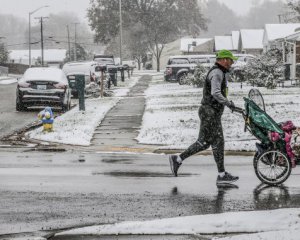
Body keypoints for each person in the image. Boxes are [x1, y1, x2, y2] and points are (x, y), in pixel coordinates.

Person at [169, 49, 239, 185]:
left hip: (210, 112)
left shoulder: (219, 72)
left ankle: (177, 159)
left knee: (204, 142)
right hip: (210, 112)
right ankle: (221, 175)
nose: (232, 63)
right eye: (231, 60)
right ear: (224, 60)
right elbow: (216, 93)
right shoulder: (217, 73)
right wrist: (228, 103)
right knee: (217, 142)